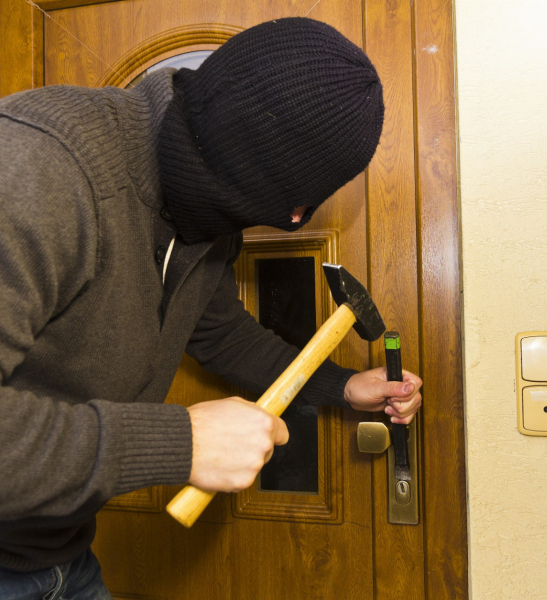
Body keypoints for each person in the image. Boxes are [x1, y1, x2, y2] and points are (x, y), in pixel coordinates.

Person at [0, 17, 422, 599]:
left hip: (59, 555)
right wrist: (181, 443)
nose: (292, 219)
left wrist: (342, 386)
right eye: (298, 204)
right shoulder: (36, 166)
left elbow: (222, 334)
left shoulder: (206, 216)